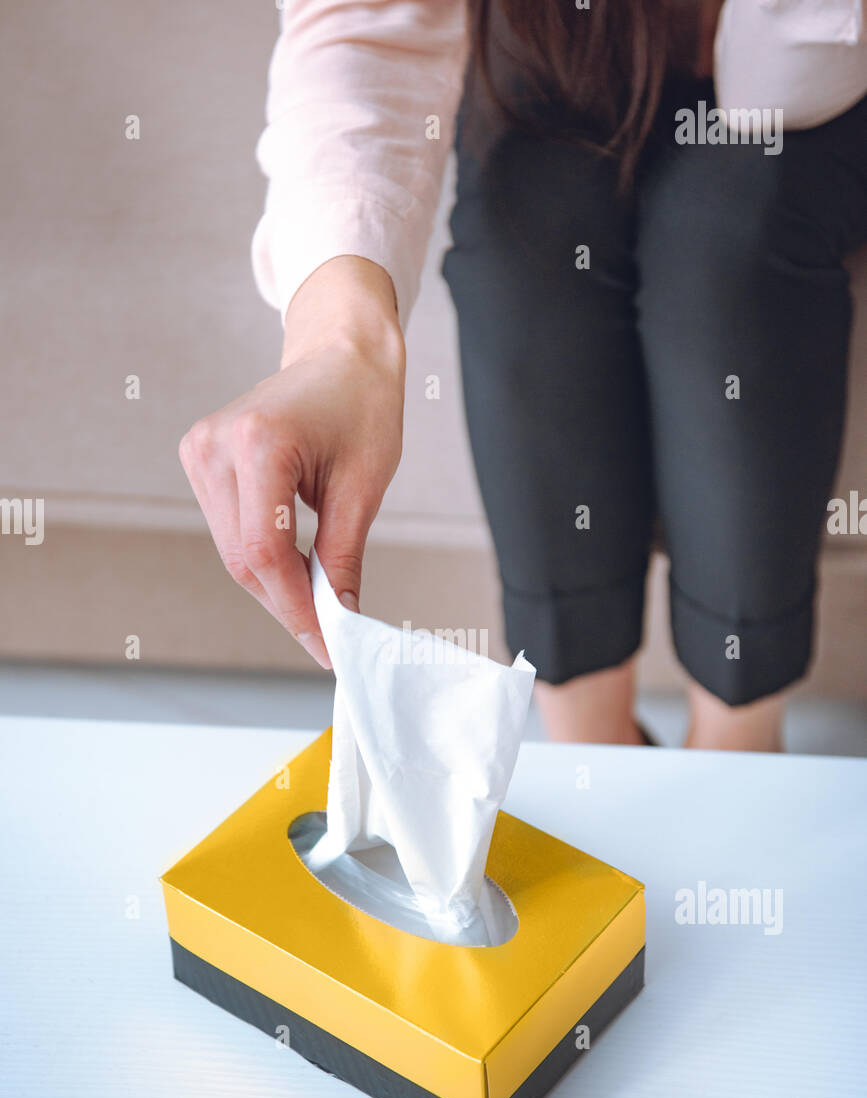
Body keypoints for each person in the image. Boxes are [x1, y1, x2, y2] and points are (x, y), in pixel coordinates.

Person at [179, 0, 867, 750]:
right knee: (519, 256)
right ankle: (586, 733)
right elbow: (364, 29)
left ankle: (738, 735)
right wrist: (339, 344)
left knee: (725, 257)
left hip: (811, 93)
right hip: (566, 66)